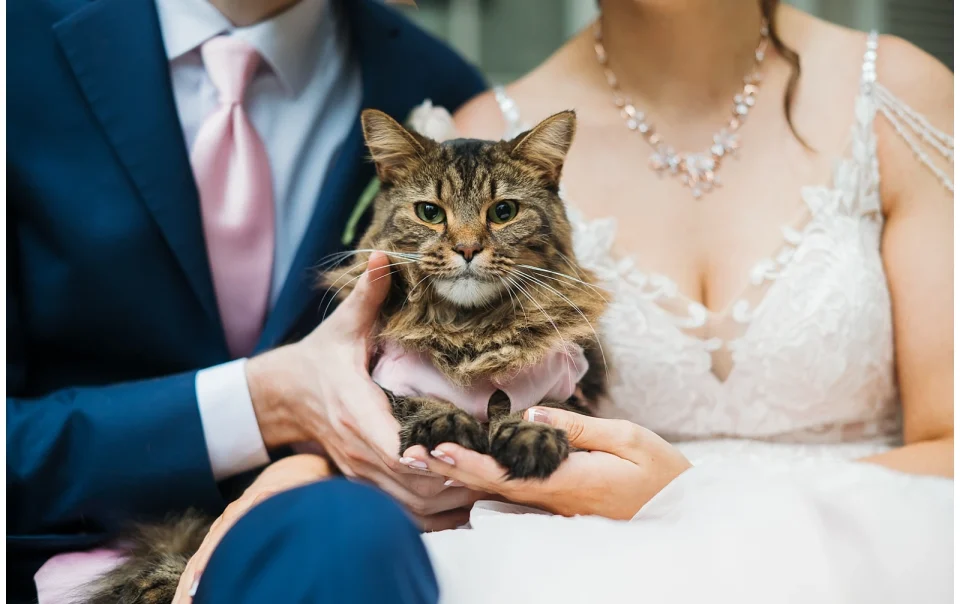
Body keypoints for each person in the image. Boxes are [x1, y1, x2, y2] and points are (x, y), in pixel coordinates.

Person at [191, 0, 953, 601]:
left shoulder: (899, 96)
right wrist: (312, 465)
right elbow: (391, 376)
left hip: (875, 550)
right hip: (549, 559)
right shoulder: (481, 126)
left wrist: (695, 498)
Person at [6, 0, 486, 600]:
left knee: (348, 532)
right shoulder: (16, 40)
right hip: (50, 559)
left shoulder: (436, 87)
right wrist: (262, 402)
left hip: (331, 561)